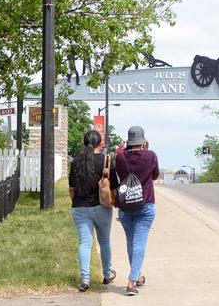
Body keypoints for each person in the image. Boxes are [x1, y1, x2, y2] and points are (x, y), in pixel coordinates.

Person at [112, 125, 160, 296]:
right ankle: (132, 282)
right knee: (139, 243)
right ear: (143, 140)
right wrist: (146, 150)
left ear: (129, 141)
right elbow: (154, 176)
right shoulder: (151, 156)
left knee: (131, 242)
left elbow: (119, 173)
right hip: (146, 204)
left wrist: (123, 149)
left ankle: (137, 276)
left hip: (126, 205)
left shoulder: (120, 157)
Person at [68, 129, 115, 292]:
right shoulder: (105, 160)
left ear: (84, 142)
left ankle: (85, 279)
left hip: (80, 208)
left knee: (85, 243)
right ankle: (107, 275)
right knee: (105, 241)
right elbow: (113, 186)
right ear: (100, 143)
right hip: (101, 207)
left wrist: (77, 203)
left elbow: (71, 189)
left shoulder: (75, 162)